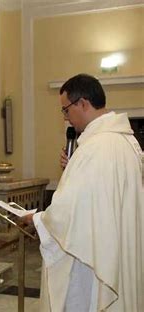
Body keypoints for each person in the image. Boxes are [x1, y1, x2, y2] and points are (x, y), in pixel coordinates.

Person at [22, 74, 143, 311]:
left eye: (66, 110)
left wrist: (37, 219)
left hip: (95, 260)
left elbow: (68, 212)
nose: (66, 118)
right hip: (119, 249)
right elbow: (99, 196)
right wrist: (72, 168)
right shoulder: (126, 142)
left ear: (83, 103)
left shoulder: (96, 148)